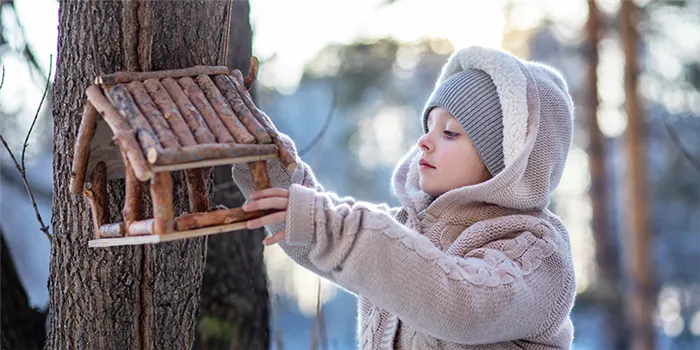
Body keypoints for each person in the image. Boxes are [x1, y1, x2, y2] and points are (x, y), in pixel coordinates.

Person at [232, 46, 576, 349]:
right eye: (428, 128)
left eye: (450, 133)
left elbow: (462, 303)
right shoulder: (409, 229)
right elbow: (327, 246)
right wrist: (265, 164)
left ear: (505, 160)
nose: (424, 142)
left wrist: (335, 227)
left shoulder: (536, 252)